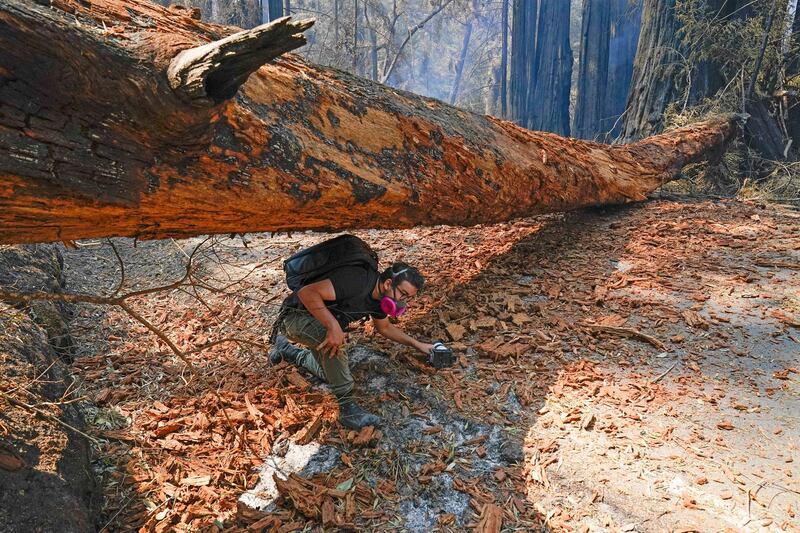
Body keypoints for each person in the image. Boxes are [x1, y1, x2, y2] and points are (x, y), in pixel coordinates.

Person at [270, 261, 435, 429]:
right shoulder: (357, 281)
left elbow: (384, 328)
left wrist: (418, 345)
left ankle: (288, 351)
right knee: (334, 341)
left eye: (408, 298)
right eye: (403, 294)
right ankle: (347, 408)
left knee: (332, 374)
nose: (402, 301)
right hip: (294, 318)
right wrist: (333, 327)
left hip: (317, 319)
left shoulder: (380, 299)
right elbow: (307, 293)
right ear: (388, 284)